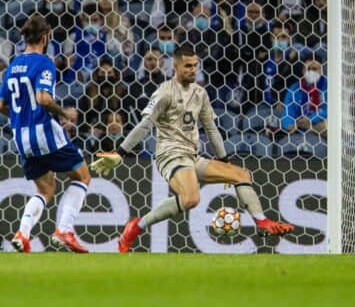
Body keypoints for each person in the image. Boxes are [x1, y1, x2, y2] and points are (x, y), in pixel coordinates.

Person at [90, 45, 295, 252]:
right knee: (191, 198)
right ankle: (135, 227)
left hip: (193, 156)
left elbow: (212, 130)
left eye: (195, 65)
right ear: (176, 66)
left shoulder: (200, 93)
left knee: (240, 174)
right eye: (188, 66)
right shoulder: (164, 92)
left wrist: (224, 162)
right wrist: (120, 153)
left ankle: (262, 223)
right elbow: (144, 125)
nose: (193, 70)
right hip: (170, 155)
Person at [0, 15, 91, 253]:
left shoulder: (12, 66)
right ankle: (65, 230)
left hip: (21, 136)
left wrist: (20, 119)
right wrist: (64, 113)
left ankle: (23, 233)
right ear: (45, 37)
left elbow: (1, 104)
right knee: (82, 176)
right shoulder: (44, 63)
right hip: (44, 132)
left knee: (45, 189)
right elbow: (44, 98)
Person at [281, 54, 327, 138]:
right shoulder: (294, 88)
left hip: (318, 124)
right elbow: (287, 110)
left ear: (321, 70)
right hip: (299, 126)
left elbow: (327, 109)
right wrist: (290, 124)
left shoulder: (328, 86)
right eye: (308, 69)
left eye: (314, 69)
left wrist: (311, 119)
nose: (311, 72)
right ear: (302, 70)